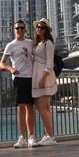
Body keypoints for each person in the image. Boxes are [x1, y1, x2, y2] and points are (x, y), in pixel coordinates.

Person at [0, 20, 38, 148]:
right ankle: (22, 138)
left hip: (30, 78)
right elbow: (1, 64)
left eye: (22, 28)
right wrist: (11, 69)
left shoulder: (30, 43)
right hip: (18, 78)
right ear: (14, 30)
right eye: (17, 28)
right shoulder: (10, 45)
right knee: (20, 107)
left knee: (30, 107)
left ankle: (31, 137)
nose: (20, 30)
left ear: (25, 30)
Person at [31, 17, 58, 146]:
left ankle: (50, 136)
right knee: (45, 107)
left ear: (46, 30)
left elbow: (49, 63)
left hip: (44, 76)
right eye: (38, 27)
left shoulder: (48, 43)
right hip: (38, 75)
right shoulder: (38, 43)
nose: (39, 29)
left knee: (42, 107)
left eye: (42, 27)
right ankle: (48, 135)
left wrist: (42, 79)